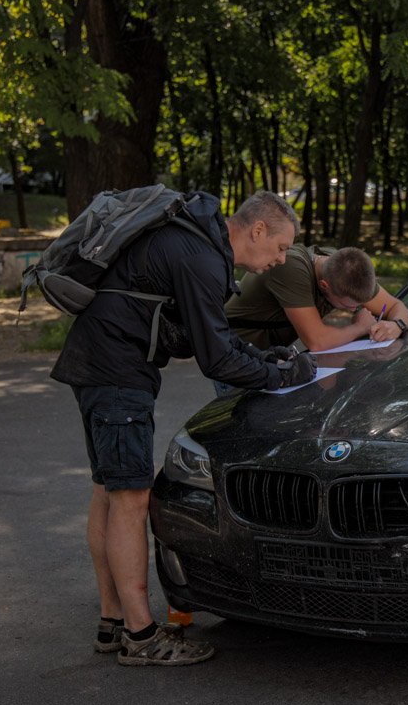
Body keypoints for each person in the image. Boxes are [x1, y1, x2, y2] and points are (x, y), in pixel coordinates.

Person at [51, 190, 316, 666]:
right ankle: (141, 636)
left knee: (108, 492)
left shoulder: (193, 239)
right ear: (257, 230)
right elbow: (215, 358)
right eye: (280, 248)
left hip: (99, 366)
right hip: (117, 376)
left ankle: (114, 623)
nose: (280, 260)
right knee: (131, 499)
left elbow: (213, 336)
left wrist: (266, 358)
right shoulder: (202, 257)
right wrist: (281, 376)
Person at [225, 244, 408, 353]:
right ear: (324, 286)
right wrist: (359, 327)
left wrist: (396, 325)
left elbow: (396, 305)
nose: (354, 309)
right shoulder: (291, 269)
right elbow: (316, 341)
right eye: (347, 305)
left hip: (267, 354)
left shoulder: (347, 270)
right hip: (235, 351)